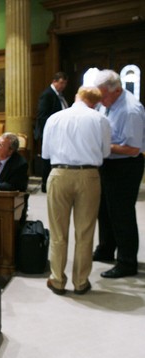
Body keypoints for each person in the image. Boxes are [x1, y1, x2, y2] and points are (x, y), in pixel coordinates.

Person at [42, 86, 111, 295]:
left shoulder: (54, 118)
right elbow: (106, 151)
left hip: (59, 174)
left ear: (76, 96)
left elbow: (45, 152)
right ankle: (80, 282)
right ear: (96, 102)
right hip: (88, 175)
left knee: (58, 232)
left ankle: (57, 279)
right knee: (85, 231)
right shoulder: (100, 119)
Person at [92, 69, 145, 278]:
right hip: (108, 164)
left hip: (125, 167)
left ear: (116, 90)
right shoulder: (107, 104)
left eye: (103, 95)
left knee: (122, 213)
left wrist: (105, 145)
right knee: (104, 209)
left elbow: (133, 149)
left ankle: (127, 261)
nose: (100, 100)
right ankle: (106, 249)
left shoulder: (131, 110)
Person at [34, 72, 69, 192]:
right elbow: (42, 116)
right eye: (61, 83)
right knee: (48, 159)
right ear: (54, 81)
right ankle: (45, 184)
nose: (63, 85)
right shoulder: (48, 94)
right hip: (50, 133)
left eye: (65, 83)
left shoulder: (60, 95)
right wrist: (50, 131)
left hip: (60, 133)